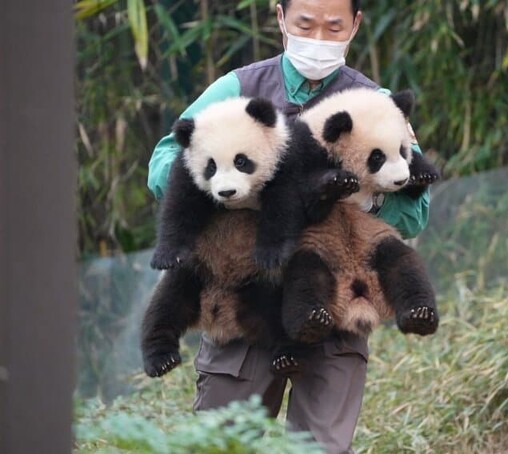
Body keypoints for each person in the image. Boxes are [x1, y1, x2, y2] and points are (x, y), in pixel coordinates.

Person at [146, 0, 430, 452]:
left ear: (355, 25)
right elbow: (166, 160)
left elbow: (416, 210)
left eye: (333, 26)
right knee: (223, 444)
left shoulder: (375, 104)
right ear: (280, 18)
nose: (318, 38)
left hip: (330, 307)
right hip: (245, 302)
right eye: (305, 23)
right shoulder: (237, 87)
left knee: (321, 446)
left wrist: (366, 196)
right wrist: (236, 189)